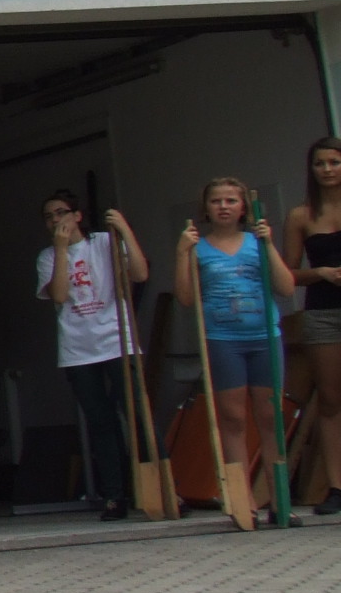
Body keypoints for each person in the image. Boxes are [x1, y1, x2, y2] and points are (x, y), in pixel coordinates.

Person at [177, 176, 293, 525]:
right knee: (232, 418)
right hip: (223, 340)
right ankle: (244, 505)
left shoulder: (257, 242)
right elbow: (185, 298)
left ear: (244, 207)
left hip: (264, 337)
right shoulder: (198, 248)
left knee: (271, 418)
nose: (224, 207)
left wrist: (268, 244)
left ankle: (280, 502)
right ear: (206, 208)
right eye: (216, 201)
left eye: (231, 200)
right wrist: (181, 253)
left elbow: (286, 287)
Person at [37, 190, 152, 522]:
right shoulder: (47, 257)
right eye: (49, 216)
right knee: (101, 422)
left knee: (138, 414)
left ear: (77, 216)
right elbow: (60, 296)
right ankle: (115, 495)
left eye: (61, 212)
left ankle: (162, 486)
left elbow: (140, 274)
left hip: (117, 340)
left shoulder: (104, 242)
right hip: (78, 349)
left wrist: (125, 229)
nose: (56, 220)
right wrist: (61, 250)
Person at [280, 138, 341, 515]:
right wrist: (320, 273)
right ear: (311, 169)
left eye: (334, 162)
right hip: (323, 314)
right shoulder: (300, 216)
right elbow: (286, 274)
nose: (328, 170)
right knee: (331, 400)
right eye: (320, 164)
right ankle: (337, 486)